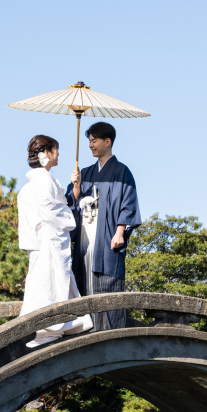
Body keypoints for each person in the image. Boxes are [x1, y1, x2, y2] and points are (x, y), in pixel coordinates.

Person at [17, 134, 93, 349]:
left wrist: (72, 189)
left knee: (45, 285)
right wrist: (71, 214)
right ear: (46, 154)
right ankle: (48, 329)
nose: (58, 154)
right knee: (50, 285)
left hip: (40, 244)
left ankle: (48, 328)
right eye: (56, 150)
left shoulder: (32, 185)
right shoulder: (45, 182)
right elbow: (52, 212)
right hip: (49, 244)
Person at [66, 121, 141, 331]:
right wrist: (76, 187)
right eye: (89, 141)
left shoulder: (122, 171)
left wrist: (120, 232)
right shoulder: (85, 173)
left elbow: (128, 203)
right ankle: (84, 333)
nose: (90, 145)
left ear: (107, 142)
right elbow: (71, 204)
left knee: (108, 285)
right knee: (84, 283)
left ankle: (110, 335)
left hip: (107, 237)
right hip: (85, 238)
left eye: (94, 140)